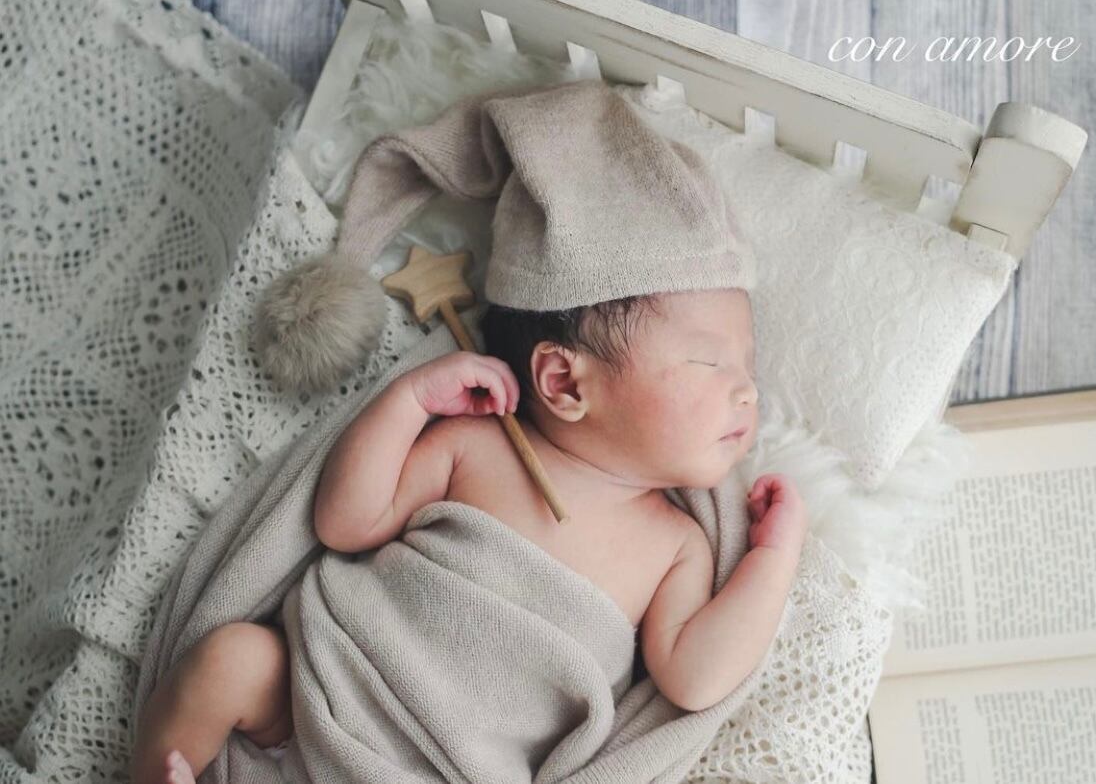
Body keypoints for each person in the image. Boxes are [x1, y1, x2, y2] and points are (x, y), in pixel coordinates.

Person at [130, 283, 808, 784]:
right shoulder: (478, 448)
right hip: (313, 701)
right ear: (564, 382)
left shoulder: (676, 545)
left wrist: (774, 556)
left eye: (747, 368)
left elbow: (696, 679)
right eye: (709, 363)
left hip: (448, 772)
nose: (747, 391)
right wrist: (409, 401)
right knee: (230, 661)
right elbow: (345, 521)